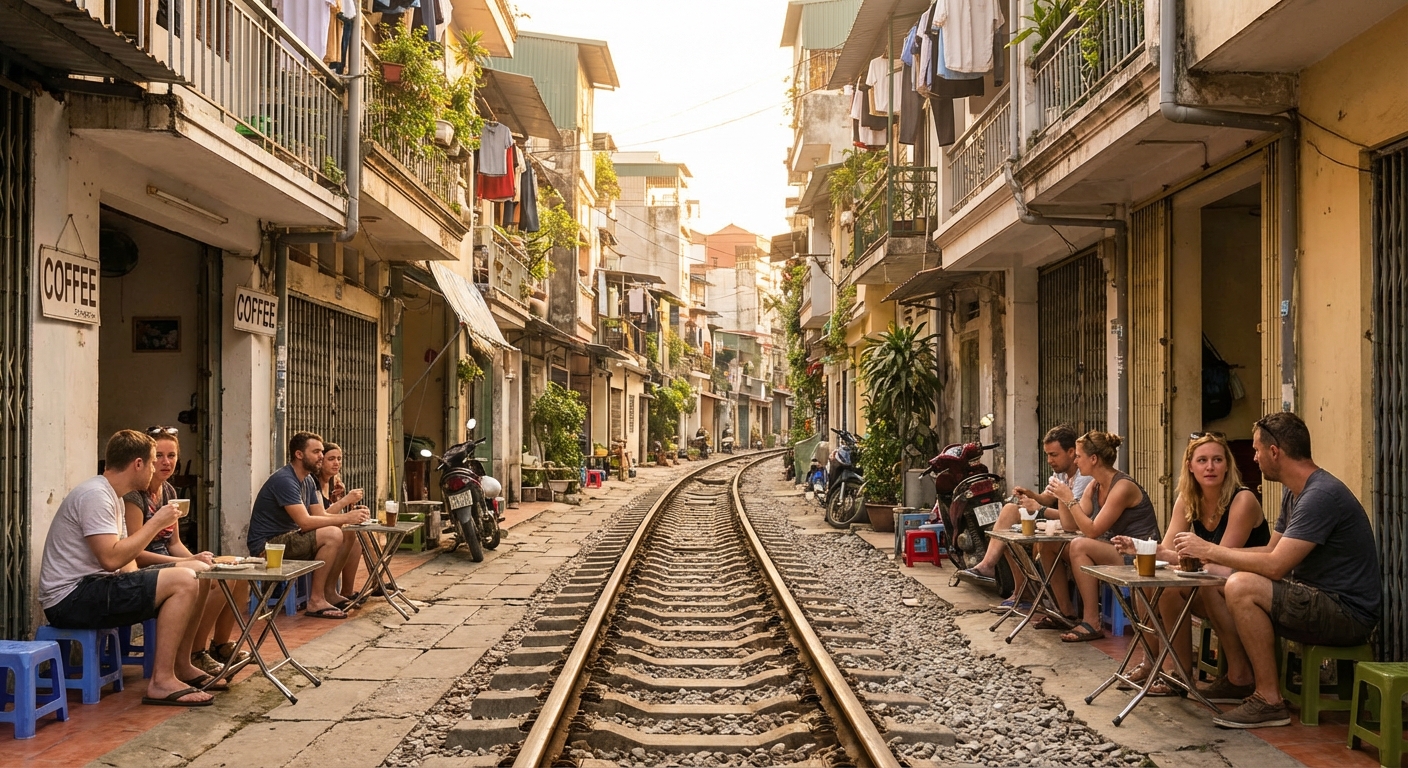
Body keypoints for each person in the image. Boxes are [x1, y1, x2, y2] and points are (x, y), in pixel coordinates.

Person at [1173, 412, 1380, 729]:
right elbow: (1271, 550)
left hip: (1346, 612)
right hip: (1315, 599)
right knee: (1218, 581)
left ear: (1274, 452)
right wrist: (1213, 560)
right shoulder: (1294, 491)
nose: (1254, 458)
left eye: (1257, 450)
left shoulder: (1320, 495)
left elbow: (1276, 565)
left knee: (1241, 586)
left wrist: (1210, 550)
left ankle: (1269, 700)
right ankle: (1238, 677)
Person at [38, 430, 215, 706]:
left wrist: (145, 583)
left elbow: (126, 559)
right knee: (184, 580)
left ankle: (182, 665)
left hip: (95, 587)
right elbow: (110, 559)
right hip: (71, 599)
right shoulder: (96, 495)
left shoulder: (114, 497)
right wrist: (155, 523)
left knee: (196, 575)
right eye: (153, 462)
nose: (155, 469)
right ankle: (161, 681)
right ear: (138, 464)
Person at [1109, 432, 1270, 697]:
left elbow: (1219, 558)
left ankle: (1236, 675)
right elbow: (1169, 551)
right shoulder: (1188, 499)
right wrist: (1140, 548)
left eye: (1217, 460)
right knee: (1154, 583)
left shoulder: (1243, 500)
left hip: (1242, 588)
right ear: (1190, 466)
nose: (1210, 467)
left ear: (1227, 465)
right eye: (1202, 460)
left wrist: (1173, 557)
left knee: (1191, 584)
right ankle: (1168, 670)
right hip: (1212, 582)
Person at [123, 427, 251, 681]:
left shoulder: (169, 492)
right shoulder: (134, 496)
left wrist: (197, 557)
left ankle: (219, 645)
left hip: (169, 559)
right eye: (159, 456)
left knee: (236, 570)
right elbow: (136, 554)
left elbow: (174, 543)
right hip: (146, 565)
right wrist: (186, 562)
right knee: (212, 578)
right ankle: (195, 652)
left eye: (171, 455)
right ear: (146, 460)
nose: (166, 462)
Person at [960, 424, 1092, 614]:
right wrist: (1030, 495)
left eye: (1054, 455)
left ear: (1072, 452)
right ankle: (1007, 580)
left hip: (1078, 530)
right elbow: (1048, 498)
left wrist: (1040, 509)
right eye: (1047, 455)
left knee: (1015, 527)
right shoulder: (1061, 473)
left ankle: (1019, 588)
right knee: (1009, 526)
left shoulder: (1084, 477)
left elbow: (1076, 517)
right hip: (1062, 524)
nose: (1049, 460)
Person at [1045, 430, 1161, 643]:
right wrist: (1061, 496)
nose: (1075, 461)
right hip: (1115, 549)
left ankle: (1092, 621)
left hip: (1139, 556)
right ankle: (1067, 611)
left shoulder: (1122, 486)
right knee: (1056, 545)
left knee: (1079, 545)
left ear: (1093, 459)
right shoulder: (1095, 484)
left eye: (1078, 456)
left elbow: (1092, 530)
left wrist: (1069, 499)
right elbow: (1071, 525)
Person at [247, 431, 368, 619]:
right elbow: (304, 522)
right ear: (299, 454)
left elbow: (320, 515)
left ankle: (329, 592)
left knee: (349, 534)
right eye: (316, 452)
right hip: (268, 546)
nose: (321, 456)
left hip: (289, 539)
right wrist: (346, 517)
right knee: (333, 534)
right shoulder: (285, 480)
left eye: (321, 452)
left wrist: (348, 518)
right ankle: (316, 601)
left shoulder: (309, 480)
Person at [314, 442, 365, 604]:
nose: (336, 463)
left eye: (339, 459)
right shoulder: (313, 482)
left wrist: (354, 510)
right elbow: (320, 516)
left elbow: (337, 514)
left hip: (326, 528)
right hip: (314, 531)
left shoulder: (334, 483)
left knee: (358, 537)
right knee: (349, 533)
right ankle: (328, 591)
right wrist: (345, 501)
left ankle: (348, 590)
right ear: (320, 461)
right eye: (331, 459)